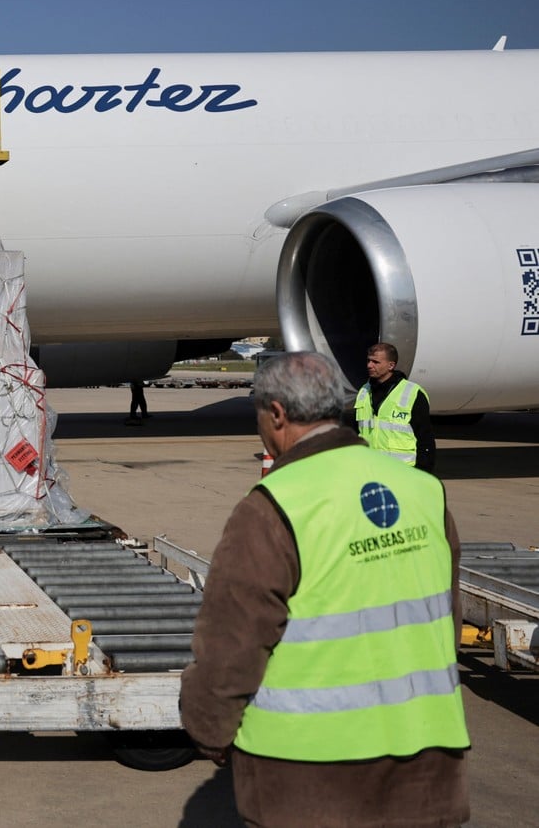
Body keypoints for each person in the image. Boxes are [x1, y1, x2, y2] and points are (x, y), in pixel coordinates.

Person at [179, 351, 469, 828]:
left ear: (276, 414)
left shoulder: (274, 507)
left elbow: (231, 646)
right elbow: (445, 620)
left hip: (312, 779)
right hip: (427, 770)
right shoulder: (424, 494)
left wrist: (209, 730)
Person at [353, 341, 435, 471]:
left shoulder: (412, 393)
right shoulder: (364, 391)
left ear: (391, 365)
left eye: (375, 362)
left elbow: (425, 437)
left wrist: (423, 471)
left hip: (402, 471)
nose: (369, 365)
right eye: (368, 361)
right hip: (369, 469)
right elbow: (356, 430)